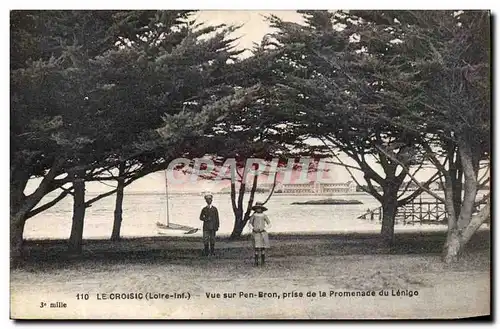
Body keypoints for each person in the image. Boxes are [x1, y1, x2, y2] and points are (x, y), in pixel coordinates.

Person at [248, 202, 271, 266]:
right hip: (256, 233)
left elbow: (269, 224)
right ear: (255, 209)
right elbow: (249, 223)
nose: (258, 209)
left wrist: (264, 228)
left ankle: (263, 261)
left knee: (263, 247)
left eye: (260, 208)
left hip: (263, 233)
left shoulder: (264, 216)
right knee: (256, 247)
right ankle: (256, 262)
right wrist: (253, 228)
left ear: (262, 209)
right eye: (257, 208)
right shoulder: (254, 216)